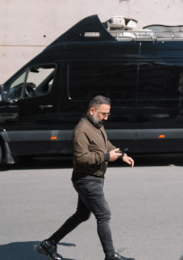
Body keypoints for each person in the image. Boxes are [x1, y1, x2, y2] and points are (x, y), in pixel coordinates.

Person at [35, 95, 135, 260]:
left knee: (82, 215)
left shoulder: (97, 125)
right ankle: (110, 256)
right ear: (92, 110)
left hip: (94, 178)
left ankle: (49, 244)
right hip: (86, 179)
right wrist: (106, 157)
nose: (106, 117)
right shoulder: (81, 130)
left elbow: (106, 144)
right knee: (103, 215)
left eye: (108, 114)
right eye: (103, 114)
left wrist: (121, 155)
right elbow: (81, 158)